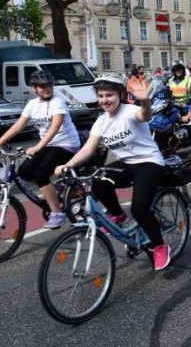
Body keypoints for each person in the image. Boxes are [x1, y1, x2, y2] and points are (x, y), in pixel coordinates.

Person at [54, 73, 172, 271]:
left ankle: (159, 245)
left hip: (149, 163)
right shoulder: (101, 121)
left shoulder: (130, 111)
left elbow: (145, 116)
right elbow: (88, 149)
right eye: (100, 96)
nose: (104, 100)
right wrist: (68, 165)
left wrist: (144, 102)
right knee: (98, 179)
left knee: (139, 209)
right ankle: (116, 213)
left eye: (109, 95)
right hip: (127, 164)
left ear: (119, 94)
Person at [0, 71, 81, 229]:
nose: (46, 88)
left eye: (49, 85)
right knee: (24, 173)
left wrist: (38, 146)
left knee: (41, 174)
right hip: (48, 144)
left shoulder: (57, 102)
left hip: (66, 144)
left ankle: (57, 213)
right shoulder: (32, 104)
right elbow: (19, 125)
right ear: (34, 88)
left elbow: (55, 126)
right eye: (42, 86)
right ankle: (53, 188)